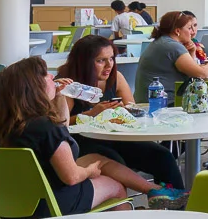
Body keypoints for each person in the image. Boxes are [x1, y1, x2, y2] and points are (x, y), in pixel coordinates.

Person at [0, 57, 179, 216]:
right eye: (45, 75)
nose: (52, 76)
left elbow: (62, 128)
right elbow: (72, 177)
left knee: (97, 158)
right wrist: (90, 171)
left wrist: (59, 95)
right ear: (34, 88)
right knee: (115, 187)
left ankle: (153, 189)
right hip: (48, 204)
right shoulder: (45, 127)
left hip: (10, 203)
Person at [54, 35, 187, 191]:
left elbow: (133, 108)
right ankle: (153, 194)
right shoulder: (69, 85)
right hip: (81, 142)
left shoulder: (115, 78)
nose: (108, 65)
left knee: (163, 156)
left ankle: (174, 200)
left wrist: (125, 109)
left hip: (116, 137)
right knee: (116, 161)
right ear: (84, 62)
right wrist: (92, 114)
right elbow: (60, 125)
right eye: (100, 60)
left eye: (111, 58)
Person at [134, 11, 208, 102]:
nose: (192, 32)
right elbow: (201, 74)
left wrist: (192, 52)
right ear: (177, 31)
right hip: (162, 104)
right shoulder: (173, 46)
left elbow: (190, 71)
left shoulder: (162, 41)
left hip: (149, 101)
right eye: (189, 28)